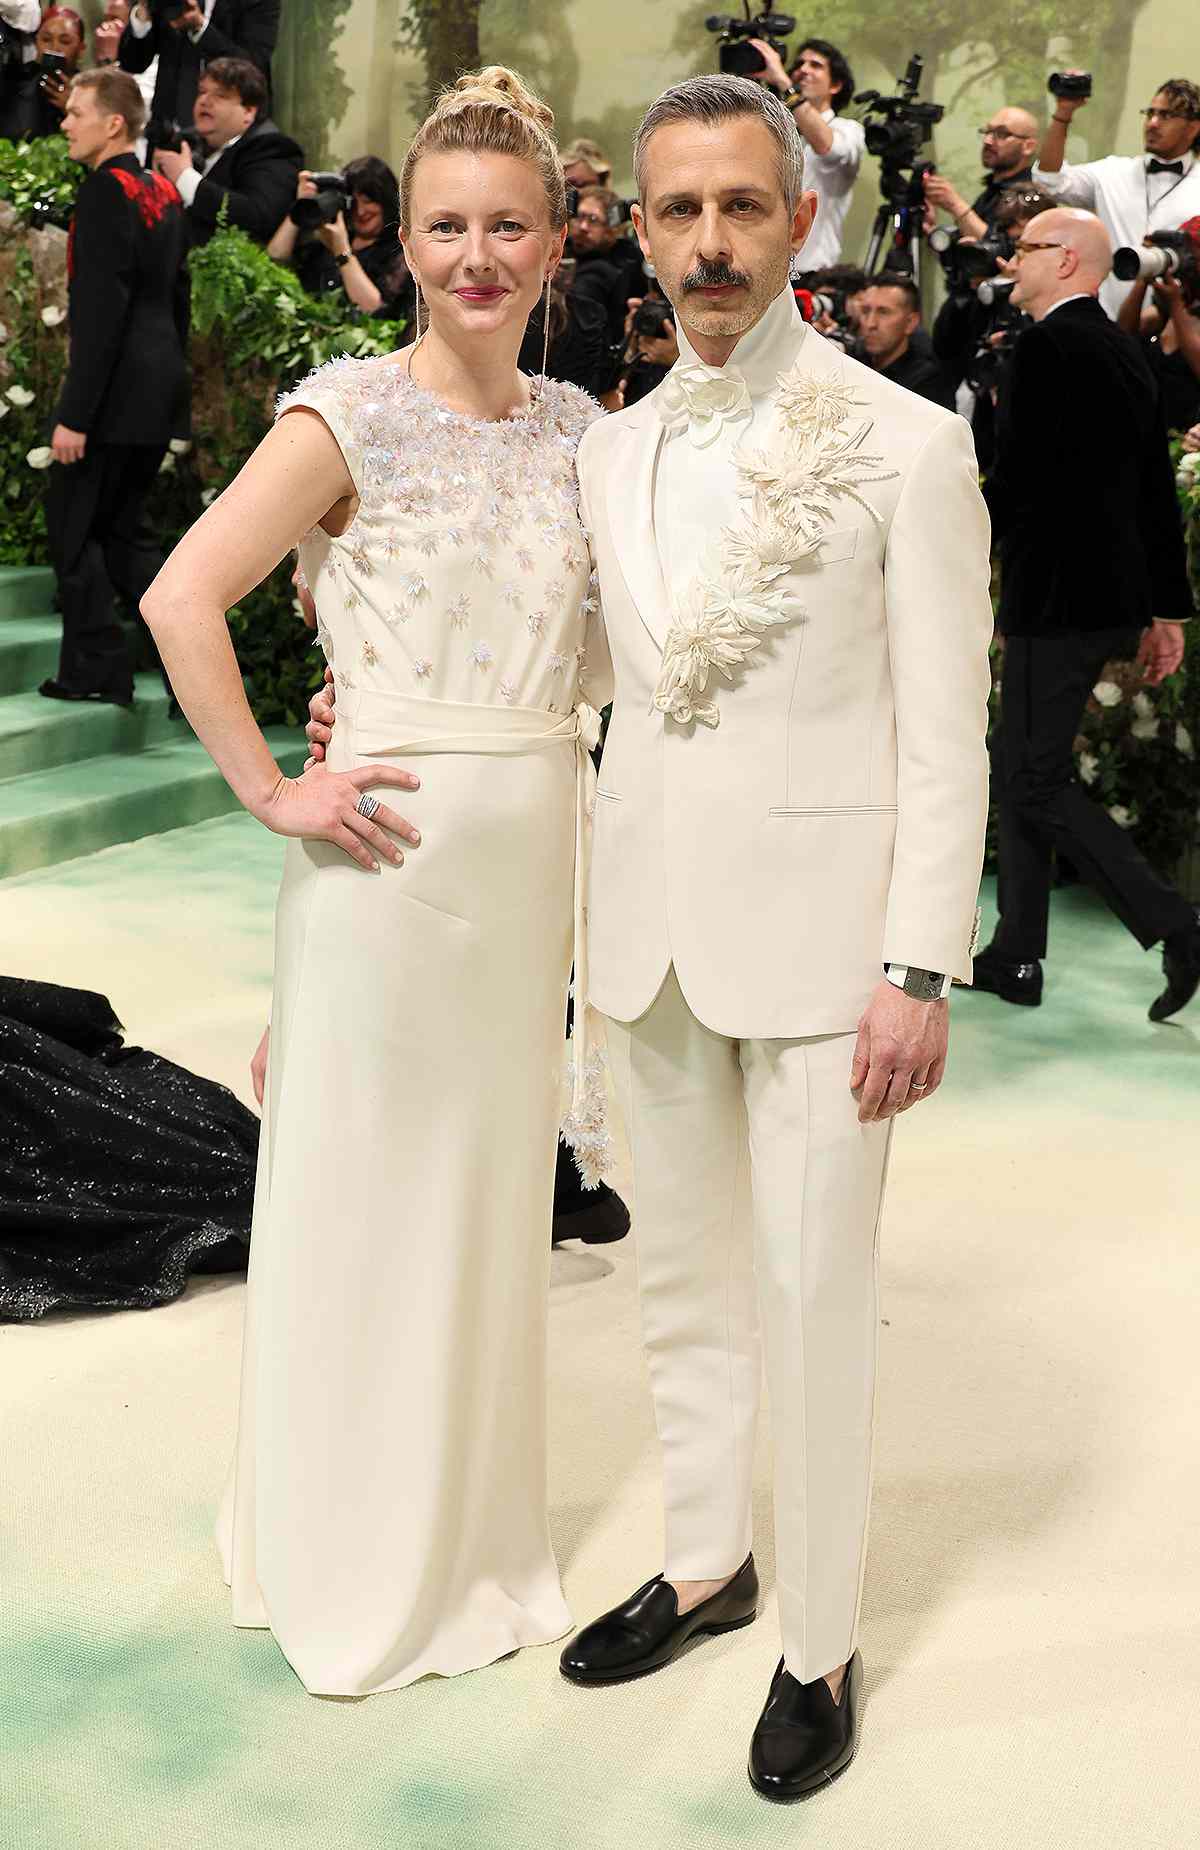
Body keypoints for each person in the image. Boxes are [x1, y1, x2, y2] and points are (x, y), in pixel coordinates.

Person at [309, 70, 993, 1797]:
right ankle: (708, 1564)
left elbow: (947, 734)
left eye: (741, 207)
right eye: (678, 209)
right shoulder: (608, 450)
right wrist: (360, 698)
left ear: (798, 221)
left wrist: (917, 966)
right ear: (641, 223)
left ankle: (817, 1641)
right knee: (682, 1285)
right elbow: (592, 664)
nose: (707, 242)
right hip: (648, 935)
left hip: (838, 961)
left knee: (816, 1290)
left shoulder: (911, 448)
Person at [141, 64, 613, 1698]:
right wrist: (280, 781)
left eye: (508, 227)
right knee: (365, 1201)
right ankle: (342, 1542)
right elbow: (181, 598)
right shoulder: (348, 407)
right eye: (445, 228)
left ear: (558, 239)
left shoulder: (584, 435)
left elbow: (610, 654)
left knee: (484, 1213)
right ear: (402, 241)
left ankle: (465, 1531)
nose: (477, 256)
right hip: (385, 872)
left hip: (528, 870)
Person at [976, 205, 1200, 1019]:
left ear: (1067, 260)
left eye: (1027, 248)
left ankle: (1176, 924)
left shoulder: (1044, 348)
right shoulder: (1125, 350)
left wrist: (960, 548)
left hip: (1056, 600)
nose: (1013, 261)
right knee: (1025, 766)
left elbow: (1022, 482)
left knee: (1031, 780)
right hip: (1109, 601)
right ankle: (1016, 955)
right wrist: (1166, 612)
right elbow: (1155, 488)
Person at [40, 68, 188, 709]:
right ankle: (188, 669)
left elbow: (102, 312)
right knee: (126, 535)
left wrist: (75, 414)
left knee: (74, 528)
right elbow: (177, 303)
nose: (65, 122)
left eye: (76, 112)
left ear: (114, 124)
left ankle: (96, 669)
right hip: (155, 394)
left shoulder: (104, 191)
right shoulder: (162, 191)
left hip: (111, 397)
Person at [1034, 76, 1200, 317]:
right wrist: (1063, 114)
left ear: (1193, 128)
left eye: (1166, 116)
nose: (1152, 123)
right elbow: (1049, 182)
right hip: (1107, 324)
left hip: (1176, 334)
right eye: (1150, 113)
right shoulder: (1113, 172)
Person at [150, 56, 301, 247]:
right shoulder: (186, 142)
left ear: (248, 111)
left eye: (220, 95)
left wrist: (184, 178)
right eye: (202, 92)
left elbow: (257, 216)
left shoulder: (272, 150)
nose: (205, 101)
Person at [749, 35, 863, 271]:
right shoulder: (778, 134)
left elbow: (829, 149)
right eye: (799, 65)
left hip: (812, 276)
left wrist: (784, 84)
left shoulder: (847, 130)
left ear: (835, 85)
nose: (803, 70)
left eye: (816, 65)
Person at [268, 156, 415, 321]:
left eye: (368, 201)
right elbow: (276, 257)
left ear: (385, 200)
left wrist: (342, 252)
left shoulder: (399, 251)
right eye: (353, 202)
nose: (361, 211)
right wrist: (302, 206)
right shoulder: (326, 242)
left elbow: (374, 311)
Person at [118, 0, 278, 134]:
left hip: (229, 135)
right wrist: (143, 13)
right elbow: (133, 63)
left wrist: (200, 28)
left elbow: (252, 66)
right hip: (165, 132)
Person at [1116, 228, 1200, 434]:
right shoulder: (1164, 310)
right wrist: (1145, 274)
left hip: (1188, 440)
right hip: (1149, 430)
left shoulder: (1176, 307)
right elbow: (1124, 335)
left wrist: (1176, 306)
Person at [923, 106, 1039, 240]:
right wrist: (931, 229)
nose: (987, 140)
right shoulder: (991, 192)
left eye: (1001, 134)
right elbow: (969, 255)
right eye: (987, 132)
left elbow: (1005, 254)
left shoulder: (1031, 196)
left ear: (1028, 146)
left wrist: (955, 204)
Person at [857, 272, 956, 408]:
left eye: (883, 312)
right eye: (865, 311)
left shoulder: (929, 382)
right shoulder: (852, 362)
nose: (870, 324)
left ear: (910, 322)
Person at [1, 5, 85, 141]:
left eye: (65, 41)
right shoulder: (13, 82)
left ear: (81, 49)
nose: (54, 47)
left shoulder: (92, 92)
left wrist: (74, 110)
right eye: (46, 39)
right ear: (36, 43)